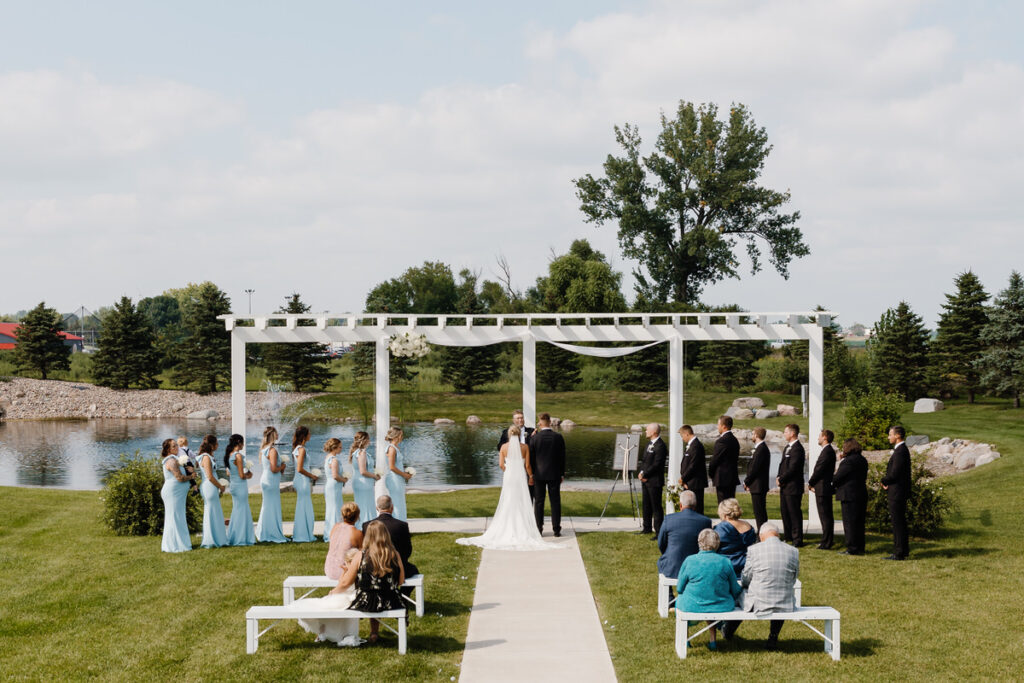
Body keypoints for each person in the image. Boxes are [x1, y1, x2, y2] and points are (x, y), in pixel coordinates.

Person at [457, 423, 554, 551]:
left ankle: (507, 526)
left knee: (508, 500)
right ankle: (522, 528)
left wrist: (509, 471)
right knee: (521, 501)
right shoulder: (525, 447)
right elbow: (528, 466)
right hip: (520, 477)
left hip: (509, 477)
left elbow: (501, 465)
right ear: (519, 435)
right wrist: (531, 476)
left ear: (509, 435)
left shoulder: (503, 447)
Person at [724, 523, 800, 649]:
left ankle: (728, 632)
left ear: (761, 536)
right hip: (785, 602)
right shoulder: (793, 551)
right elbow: (794, 577)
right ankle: (773, 636)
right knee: (779, 593)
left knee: (739, 594)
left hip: (758, 603)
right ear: (778, 535)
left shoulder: (754, 550)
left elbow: (746, 577)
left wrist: (745, 585)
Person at [677, 528, 742, 651]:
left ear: (699, 542)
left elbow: (680, 588)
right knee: (710, 596)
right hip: (720, 605)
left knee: (681, 600)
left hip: (693, 605)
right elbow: (735, 589)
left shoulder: (689, 560)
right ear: (717, 543)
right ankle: (713, 640)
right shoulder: (725, 562)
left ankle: (686, 640)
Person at [290, 547, 363, 646]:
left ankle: (323, 633)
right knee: (321, 604)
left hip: (345, 598)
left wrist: (332, 592)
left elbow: (342, 585)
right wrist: (344, 571)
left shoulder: (351, 574)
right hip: (347, 597)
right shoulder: (355, 573)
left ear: (351, 562)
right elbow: (341, 582)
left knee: (318, 605)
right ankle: (324, 633)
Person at [349, 520, 407, 643]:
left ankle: (370, 633)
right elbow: (401, 581)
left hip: (366, 600)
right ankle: (374, 633)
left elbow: (348, 579)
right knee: (379, 594)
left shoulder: (361, 555)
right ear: (386, 535)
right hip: (391, 600)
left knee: (370, 595)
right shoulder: (394, 554)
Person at [657, 490, 712, 580]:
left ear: (680, 505)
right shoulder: (705, 521)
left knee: (663, 562)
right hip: (697, 566)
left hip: (672, 566)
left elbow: (661, 543)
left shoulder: (669, 519)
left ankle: (669, 594)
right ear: (695, 505)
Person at [362, 494, 419, 580]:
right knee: (413, 570)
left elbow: (365, 548)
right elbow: (407, 550)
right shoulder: (401, 525)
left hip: (372, 566)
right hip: (395, 566)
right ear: (392, 507)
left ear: (377, 508)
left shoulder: (366, 525)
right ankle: (402, 593)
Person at [530, 412, 566, 537]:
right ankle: (556, 529)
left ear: (540, 423)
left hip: (539, 475)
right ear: (550, 422)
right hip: (554, 474)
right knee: (555, 501)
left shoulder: (535, 438)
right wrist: (562, 473)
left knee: (539, 502)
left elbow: (531, 458)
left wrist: (532, 474)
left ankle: (539, 529)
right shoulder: (558, 437)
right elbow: (562, 457)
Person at [833, 438, 868, 556]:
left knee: (849, 523)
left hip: (849, 495)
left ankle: (852, 547)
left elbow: (838, 477)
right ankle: (860, 547)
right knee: (859, 522)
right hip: (861, 493)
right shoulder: (863, 460)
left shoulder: (848, 462)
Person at [881, 425, 912, 560]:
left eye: (890, 434)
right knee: (900, 522)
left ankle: (899, 552)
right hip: (898, 490)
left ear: (897, 436)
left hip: (897, 492)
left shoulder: (900, 451)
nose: (888, 437)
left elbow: (895, 473)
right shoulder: (901, 450)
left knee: (897, 522)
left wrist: (884, 480)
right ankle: (903, 550)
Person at [255, 426, 289, 543]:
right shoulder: (272, 450)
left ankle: (264, 531)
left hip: (266, 479)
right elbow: (274, 468)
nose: (278, 436)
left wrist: (280, 468)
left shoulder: (264, 449)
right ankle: (271, 532)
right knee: (272, 506)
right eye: (276, 434)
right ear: (273, 435)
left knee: (267, 505)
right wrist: (283, 466)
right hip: (271, 481)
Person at [160, 438, 194, 553]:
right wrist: (191, 477)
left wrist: (188, 469)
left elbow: (181, 472)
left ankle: (178, 543)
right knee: (174, 518)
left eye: (176, 445)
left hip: (177, 494)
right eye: (174, 446)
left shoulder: (175, 459)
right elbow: (179, 478)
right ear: (168, 449)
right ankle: (175, 545)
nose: (177, 447)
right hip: (173, 493)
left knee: (178, 517)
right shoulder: (171, 461)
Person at [776, 424, 805, 547]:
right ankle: (788, 536)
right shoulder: (787, 447)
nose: (784, 434)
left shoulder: (798, 448)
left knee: (794, 513)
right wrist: (778, 477)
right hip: (785, 486)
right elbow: (783, 465)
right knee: (785, 512)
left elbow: (793, 468)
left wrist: (782, 478)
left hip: (793, 486)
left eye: (786, 432)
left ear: (792, 433)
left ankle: (797, 539)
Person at [224, 433, 255, 546]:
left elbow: (228, 472)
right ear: (239, 442)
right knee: (242, 511)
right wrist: (249, 475)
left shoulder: (229, 455)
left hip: (233, 485)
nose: (243, 445)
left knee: (237, 510)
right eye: (243, 442)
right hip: (240, 486)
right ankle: (241, 538)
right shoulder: (238, 456)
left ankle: (235, 535)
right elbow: (242, 475)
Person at [498, 409, 536, 502]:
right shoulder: (506, 432)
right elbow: (499, 447)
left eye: (522, 418)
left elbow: (536, 448)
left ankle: (528, 511)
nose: (520, 420)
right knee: (512, 494)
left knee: (529, 493)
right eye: (518, 418)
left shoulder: (532, 431)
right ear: (513, 420)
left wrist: (533, 438)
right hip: (513, 467)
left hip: (529, 465)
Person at [197, 434, 227, 548]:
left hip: (210, 486)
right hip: (209, 486)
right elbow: (209, 476)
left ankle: (217, 537)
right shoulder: (206, 457)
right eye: (217, 443)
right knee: (211, 512)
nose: (218, 445)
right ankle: (211, 539)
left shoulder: (207, 456)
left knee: (214, 512)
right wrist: (220, 486)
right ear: (212, 445)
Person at [808, 429, 837, 550]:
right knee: (825, 515)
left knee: (825, 516)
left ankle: (827, 542)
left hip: (823, 487)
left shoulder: (827, 452)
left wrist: (810, 482)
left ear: (825, 437)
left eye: (820, 436)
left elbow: (819, 469)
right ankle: (826, 540)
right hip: (822, 487)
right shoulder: (827, 451)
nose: (818, 438)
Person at [713, 498, 757, 577]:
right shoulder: (748, 526)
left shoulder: (721, 528)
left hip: (726, 568)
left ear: (724, 514)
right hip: (747, 567)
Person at [637, 423, 667, 538]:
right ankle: (647, 527)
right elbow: (644, 461)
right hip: (645, 479)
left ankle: (659, 531)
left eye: (647, 430)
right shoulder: (649, 444)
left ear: (654, 432)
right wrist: (641, 472)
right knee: (646, 504)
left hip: (654, 481)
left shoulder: (660, 446)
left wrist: (645, 473)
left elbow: (657, 464)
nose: (645, 431)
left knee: (656, 506)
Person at [291, 426, 318, 543]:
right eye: (309, 433)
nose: (310, 435)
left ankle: (302, 532)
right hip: (302, 480)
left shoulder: (297, 448)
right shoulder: (301, 450)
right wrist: (312, 476)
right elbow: (300, 468)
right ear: (304, 436)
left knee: (302, 505)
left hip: (300, 480)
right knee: (304, 506)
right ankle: (303, 534)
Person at [325, 502, 364, 580]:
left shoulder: (335, 527)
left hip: (328, 568)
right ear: (357, 516)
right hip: (344, 571)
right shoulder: (356, 533)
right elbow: (363, 553)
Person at [349, 431, 379, 527]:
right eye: (368, 439)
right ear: (364, 440)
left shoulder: (356, 453)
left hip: (360, 482)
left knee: (363, 505)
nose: (370, 441)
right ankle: (366, 527)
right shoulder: (362, 453)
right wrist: (375, 476)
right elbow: (363, 471)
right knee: (365, 506)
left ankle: (361, 526)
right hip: (363, 483)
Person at [743, 427, 771, 532]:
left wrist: (746, 481)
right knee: (758, 511)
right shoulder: (760, 448)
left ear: (756, 435)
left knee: (760, 512)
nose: (751, 436)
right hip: (757, 485)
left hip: (759, 485)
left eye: (752, 433)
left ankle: (762, 532)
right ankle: (762, 531)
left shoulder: (761, 449)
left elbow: (755, 468)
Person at [708, 416, 740, 504]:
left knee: (723, 505)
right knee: (731, 504)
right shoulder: (735, 440)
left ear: (724, 426)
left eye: (718, 425)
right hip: (732, 477)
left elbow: (715, 460)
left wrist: (711, 474)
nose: (717, 427)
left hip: (722, 479)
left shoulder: (721, 441)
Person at [678, 425, 708, 515]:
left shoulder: (696, 446)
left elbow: (693, 465)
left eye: (682, 436)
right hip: (689, 482)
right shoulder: (691, 445)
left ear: (687, 434)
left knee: (696, 507)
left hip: (695, 482)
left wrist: (683, 479)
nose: (682, 439)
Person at [383, 427, 411, 521]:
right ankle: (398, 524)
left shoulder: (395, 447)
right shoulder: (392, 449)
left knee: (400, 502)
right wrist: (404, 475)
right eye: (401, 435)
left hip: (398, 478)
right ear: (396, 436)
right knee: (397, 503)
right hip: (394, 479)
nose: (402, 437)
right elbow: (391, 467)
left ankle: (401, 523)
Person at [323, 438, 348, 542]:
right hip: (334, 486)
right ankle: (334, 533)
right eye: (340, 447)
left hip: (331, 486)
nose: (341, 449)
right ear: (334, 448)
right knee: (335, 509)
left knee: (332, 508)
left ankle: (331, 531)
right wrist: (344, 479)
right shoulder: (334, 460)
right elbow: (335, 476)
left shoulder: (327, 458)